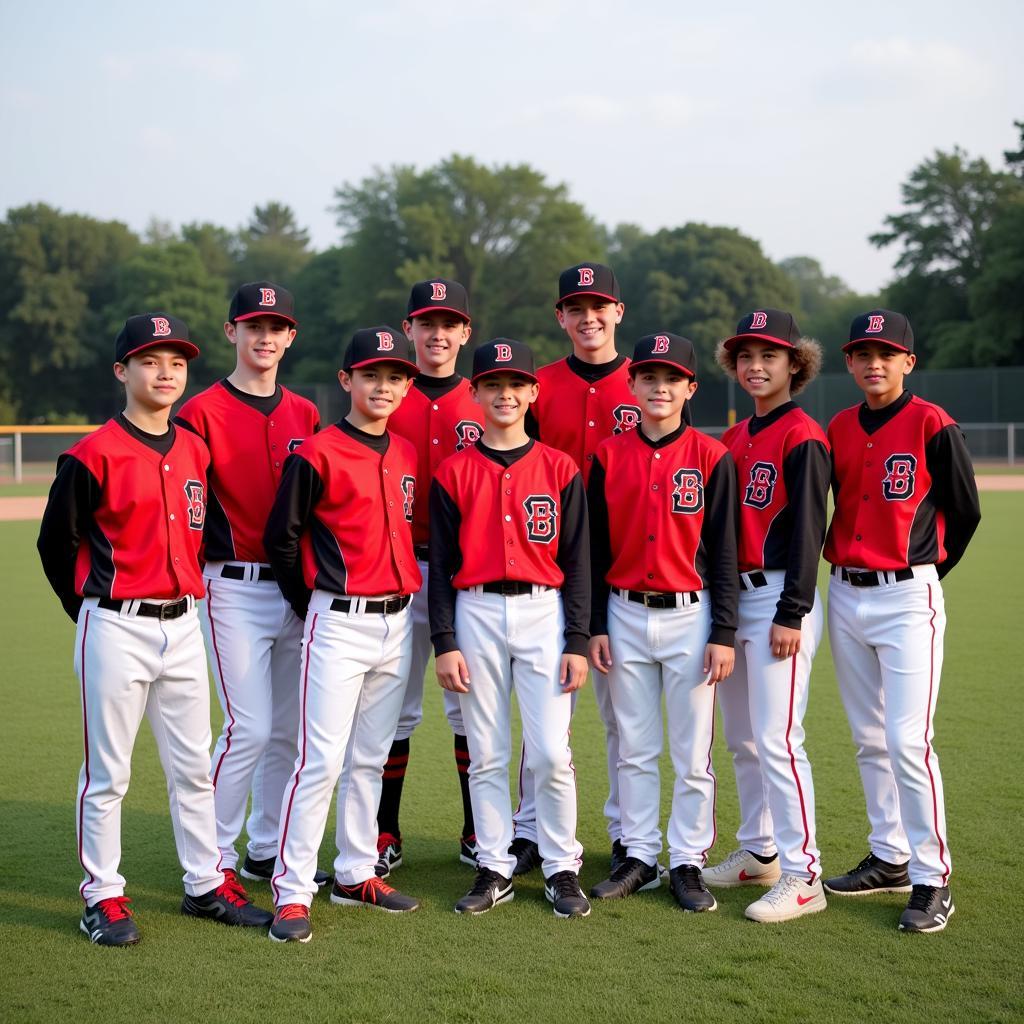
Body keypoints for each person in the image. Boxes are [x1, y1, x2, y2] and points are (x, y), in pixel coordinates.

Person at [37, 313, 273, 946]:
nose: (165, 372)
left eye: (176, 362)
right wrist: (88, 610)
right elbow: (55, 544)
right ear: (122, 372)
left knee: (194, 766)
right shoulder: (92, 453)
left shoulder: (194, 447)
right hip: (117, 625)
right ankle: (102, 896)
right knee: (109, 773)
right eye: (149, 361)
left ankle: (204, 884)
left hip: (184, 623)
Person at [821, 309, 980, 933]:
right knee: (867, 736)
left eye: (886, 353)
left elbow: (964, 513)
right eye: (862, 353)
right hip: (844, 592)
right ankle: (888, 855)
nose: (873, 362)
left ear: (908, 361)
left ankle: (931, 874)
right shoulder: (837, 425)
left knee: (907, 742)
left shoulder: (932, 423)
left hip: (906, 594)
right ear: (851, 361)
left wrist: (924, 575)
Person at [263, 326, 424, 943]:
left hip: (397, 621)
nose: (383, 386)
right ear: (345, 381)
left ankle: (356, 872)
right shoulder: (317, 453)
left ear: (407, 387)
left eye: (394, 377)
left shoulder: (405, 452)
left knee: (371, 757)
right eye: (370, 375)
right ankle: (293, 890)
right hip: (338, 619)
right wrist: (312, 606)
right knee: (319, 761)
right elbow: (283, 537)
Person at [429, 339, 591, 918]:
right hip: (474, 610)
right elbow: (442, 564)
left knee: (549, 751)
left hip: (543, 612)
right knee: (488, 751)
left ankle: (560, 865)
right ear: (473, 393)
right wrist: (444, 641)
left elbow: (578, 562)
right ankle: (494, 864)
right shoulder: (453, 471)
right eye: (492, 385)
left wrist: (577, 638)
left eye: (515, 384)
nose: (504, 394)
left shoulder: (559, 467)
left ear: (532, 392)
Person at [175, 282, 326, 897]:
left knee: (290, 729)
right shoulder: (200, 411)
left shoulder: (305, 413)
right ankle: (211, 856)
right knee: (249, 728)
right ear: (231, 332)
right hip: (232, 586)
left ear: (291, 336)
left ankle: (267, 847)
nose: (264, 337)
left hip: (296, 589)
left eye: (276, 327)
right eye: (252, 326)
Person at [587, 333, 737, 913]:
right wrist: (596, 623)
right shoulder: (606, 455)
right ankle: (640, 856)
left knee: (692, 750)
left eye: (671, 378)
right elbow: (595, 550)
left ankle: (689, 861)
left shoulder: (710, 455)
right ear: (632, 384)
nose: (659, 387)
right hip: (623, 612)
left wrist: (723, 631)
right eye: (649, 377)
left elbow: (723, 551)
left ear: (690, 388)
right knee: (634, 746)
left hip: (690, 616)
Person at [512, 261, 642, 877]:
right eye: (575, 308)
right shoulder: (538, 384)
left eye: (600, 307)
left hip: (619, 569)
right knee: (537, 713)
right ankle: (529, 829)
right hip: (545, 563)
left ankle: (623, 833)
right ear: (559, 316)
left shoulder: (647, 382)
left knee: (622, 715)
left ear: (618, 311)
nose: (588, 318)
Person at [706, 309, 830, 922]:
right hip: (738, 599)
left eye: (770, 357)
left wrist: (793, 611)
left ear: (794, 365)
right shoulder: (733, 438)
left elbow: (809, 530)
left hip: (781, 597)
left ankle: (806, 876)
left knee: (780, 740)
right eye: (746, 357)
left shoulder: (802, 433)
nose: (756, 367)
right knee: (744, 741)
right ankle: (759, 853)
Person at [373, 278, 482, 877]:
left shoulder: (489, 396)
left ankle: (475, 830)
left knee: (468, 708)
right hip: (397, 566)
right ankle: (385, 830)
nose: (438, 333)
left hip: (468, 571)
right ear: (409, 329)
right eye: (426, 322)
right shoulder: (387, 397)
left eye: (450, 323)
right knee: (395, 708)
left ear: (466, 332)